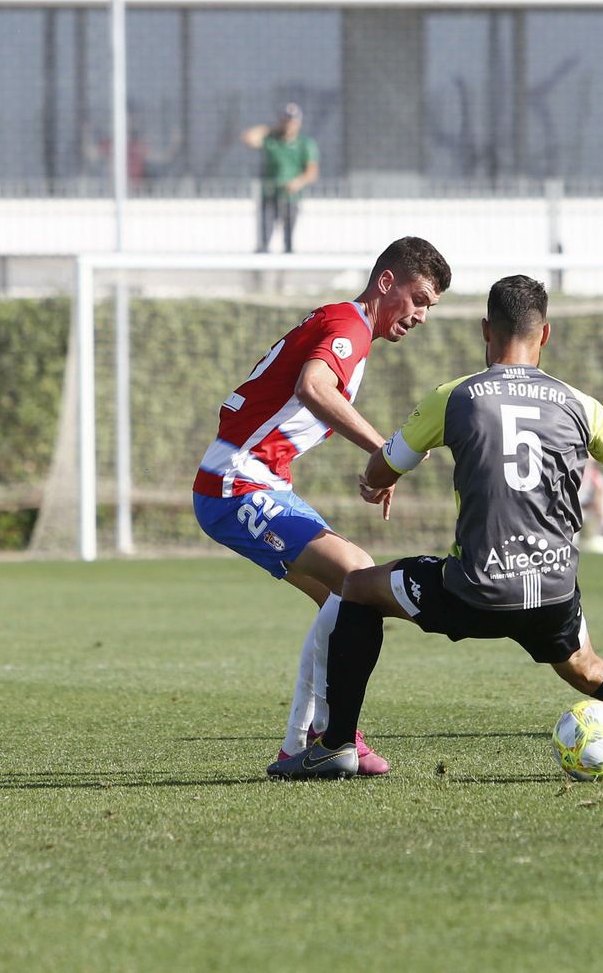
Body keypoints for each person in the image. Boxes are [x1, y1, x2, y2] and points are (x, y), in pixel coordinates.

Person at [270, 275, 603, 779]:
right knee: (588, 669)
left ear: (484, 331)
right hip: (553, 595)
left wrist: (374, 479)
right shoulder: (580, 405)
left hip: (472, 591)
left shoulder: (454, 397)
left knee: (358, 587)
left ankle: (336, 744)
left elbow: (384, 467)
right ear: (545, 336)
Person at [193, 236, 451, 774]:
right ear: (387, 283)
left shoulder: (349, 328)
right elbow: (314, 387)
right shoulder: (350, 325)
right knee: (358, 575)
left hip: (258, 482)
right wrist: (385, 452)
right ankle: (313, 743)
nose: (422, 316)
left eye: (430, 306)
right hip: (235, 482)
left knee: (349, 598)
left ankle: (323, 739)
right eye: (420, 298)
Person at [241, 103, 319, 253]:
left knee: (288, 235)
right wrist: (269, 129)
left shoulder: (305, 144)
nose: (288, 125)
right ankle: (262, 261)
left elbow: (312, 171)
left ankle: (288, 260)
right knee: (265, 232)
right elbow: (248, 138)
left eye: (292, 121)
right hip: (270, 194)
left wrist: (298, 182)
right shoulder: (272, 139)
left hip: (290, 197)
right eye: (285, 121)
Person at [577, 461, 603, 554]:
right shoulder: (577, 470)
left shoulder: (594, 474)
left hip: (585, 507)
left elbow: (599, 490)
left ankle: (598, 538)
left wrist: (599, 509)